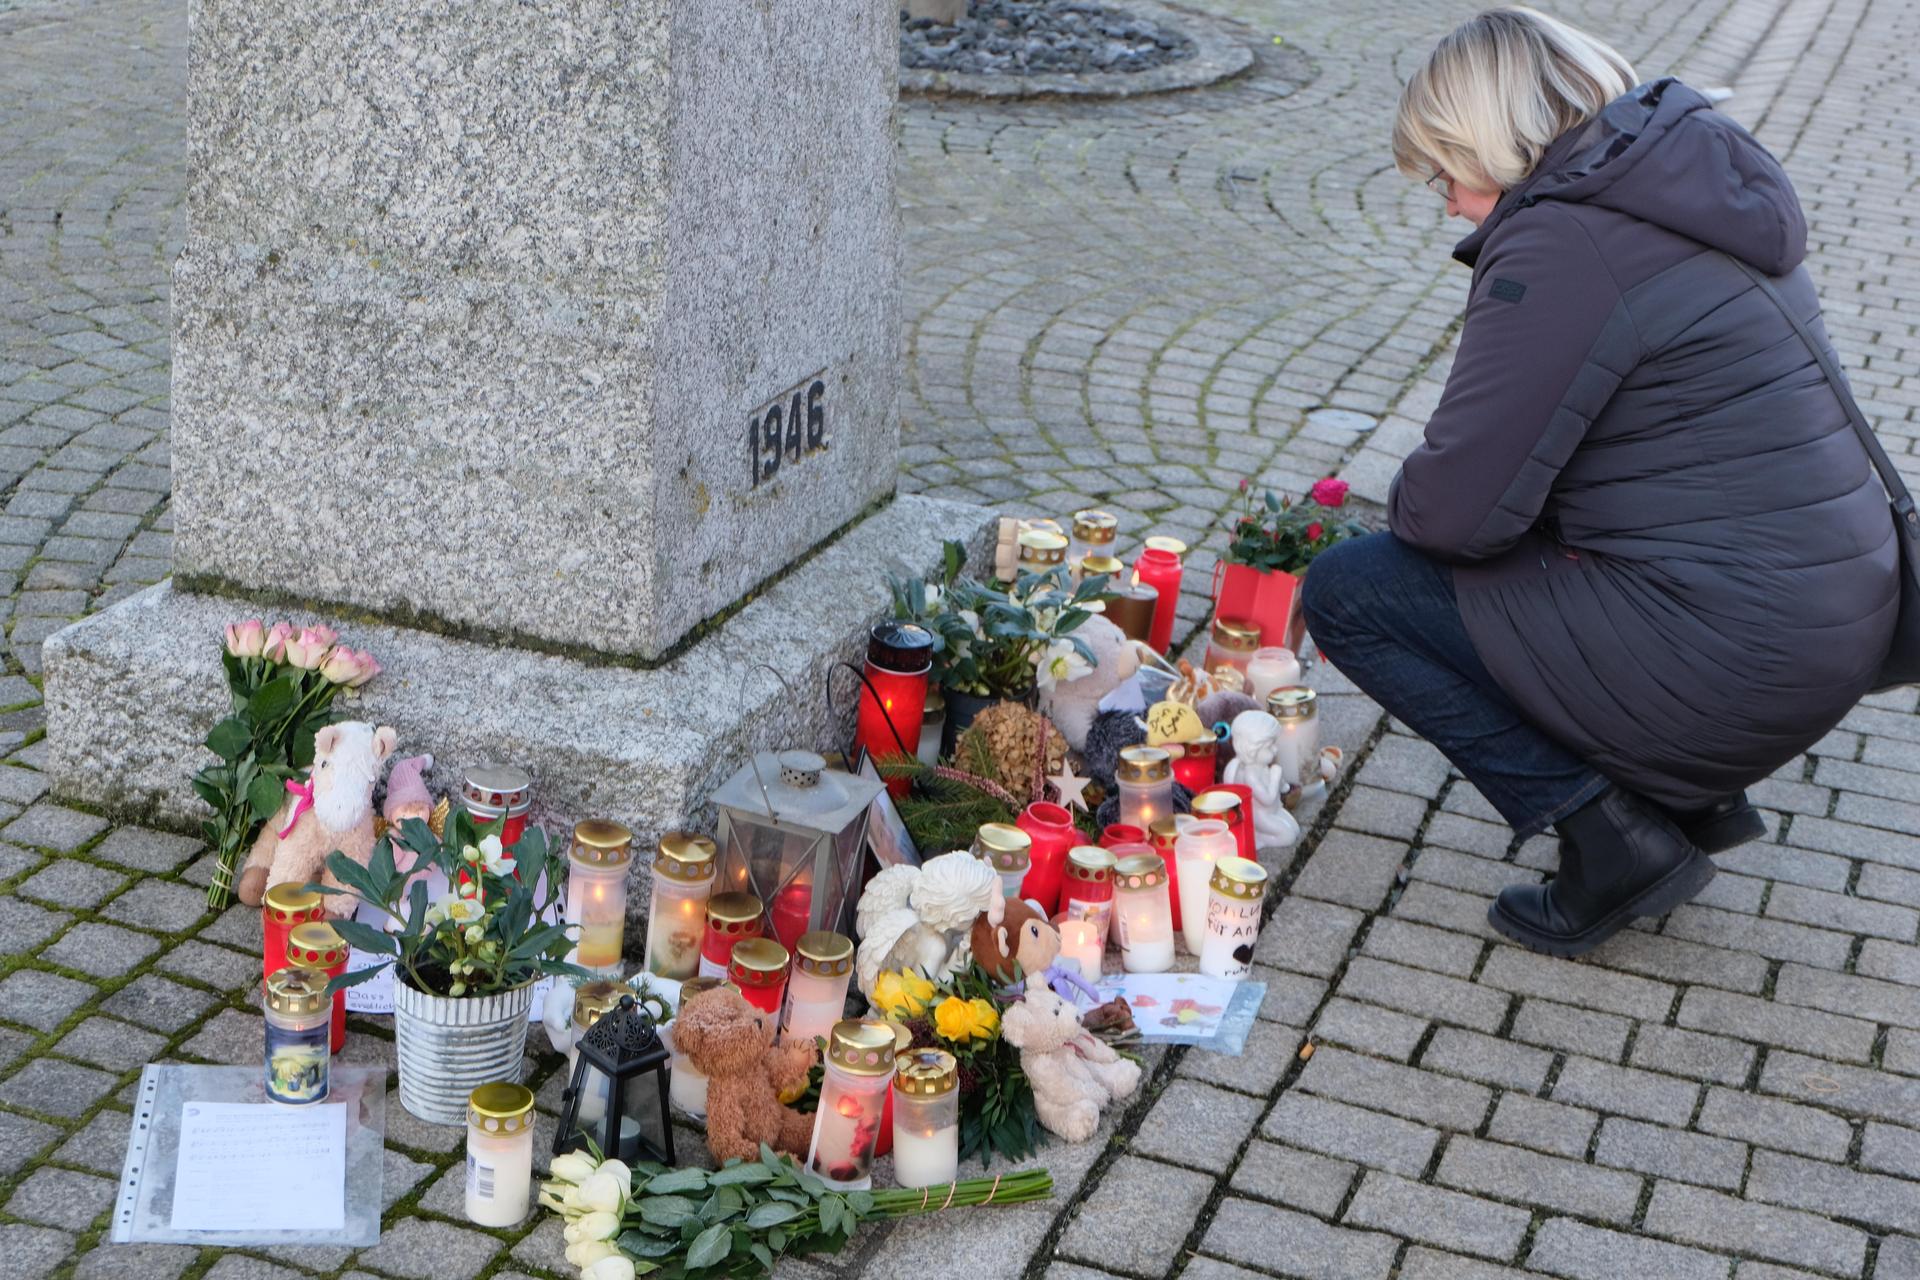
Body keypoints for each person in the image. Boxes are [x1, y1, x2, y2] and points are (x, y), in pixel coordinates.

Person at [1300, 7, 1897, 958]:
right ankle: (1685, 797)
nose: (1450, 203)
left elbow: (1452, 514)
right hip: (1823, 628)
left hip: (1731, 659)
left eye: (1447, 174)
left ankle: (1612, 839)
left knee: (1354, 590)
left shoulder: (1564, 245)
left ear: (1494, 146)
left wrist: (1430, 480)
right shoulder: (1685, 188)